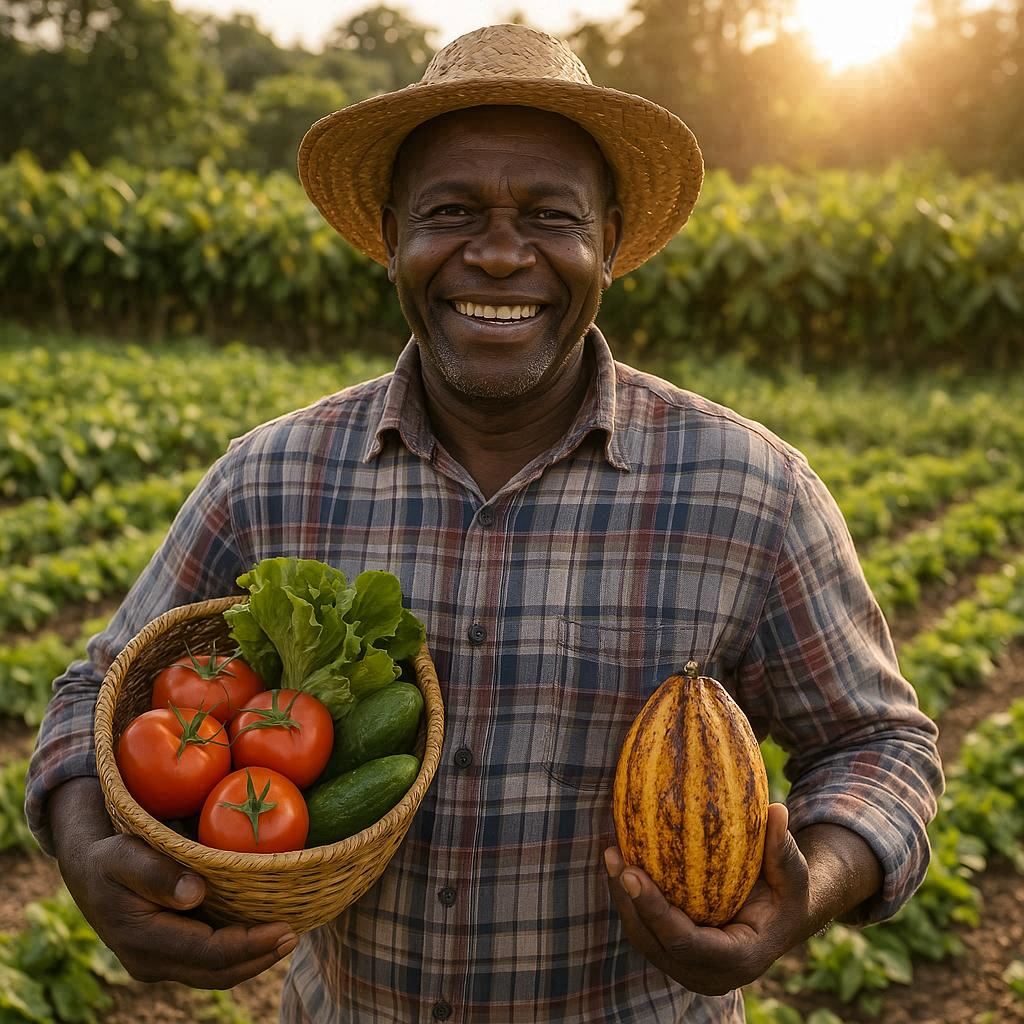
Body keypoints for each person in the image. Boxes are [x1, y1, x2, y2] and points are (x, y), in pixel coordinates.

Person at [25, 23, 943, 1024]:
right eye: (451, 210)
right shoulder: (272, 480)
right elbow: (94, 693)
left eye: (550, 214)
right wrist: (85, 850)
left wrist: (800, 897)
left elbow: (878, 745)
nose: (500, 254)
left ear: (611, 238)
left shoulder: (747, 488)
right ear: (389, 235)